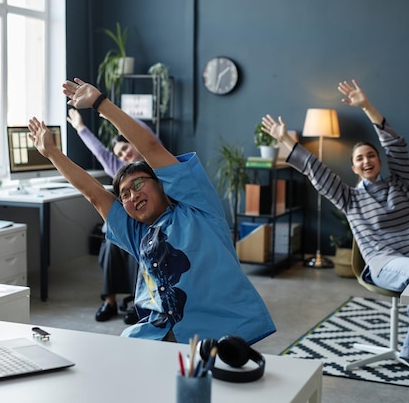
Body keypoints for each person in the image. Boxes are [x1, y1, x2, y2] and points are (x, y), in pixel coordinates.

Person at [27, 78, 275, 344]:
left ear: (161, 184)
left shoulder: (198, 207)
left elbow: (152, 148)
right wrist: (52, 153)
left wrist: (100, 104)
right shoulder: (138, 234)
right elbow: (95, 194)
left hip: (218, 334)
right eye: (125, 195)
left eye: (138, 184)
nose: (132, 195)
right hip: (155, 335)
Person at [261, 79, 409, 403]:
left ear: (379, 160)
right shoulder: (348, 198)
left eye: (371, 156)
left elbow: (399, 147)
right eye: (359, 158)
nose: (366, 161)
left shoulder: (400, 186)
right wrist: (285, 141)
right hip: (385, 263)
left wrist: (367, 106)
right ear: (353, 167)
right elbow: (315, 170)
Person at [68, 108, 158, 324]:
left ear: (133, 142)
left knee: (143, 246)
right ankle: (109, 301)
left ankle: (140, 302)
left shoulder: (154, 158)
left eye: (125, 148)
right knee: (110, 244)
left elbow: (145, 133)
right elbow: (99, 151)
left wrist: (108, 109)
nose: (124, 155)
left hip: (150, 225)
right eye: (119, 154)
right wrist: (80, 127)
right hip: (127, 224)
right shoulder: (117, 168)